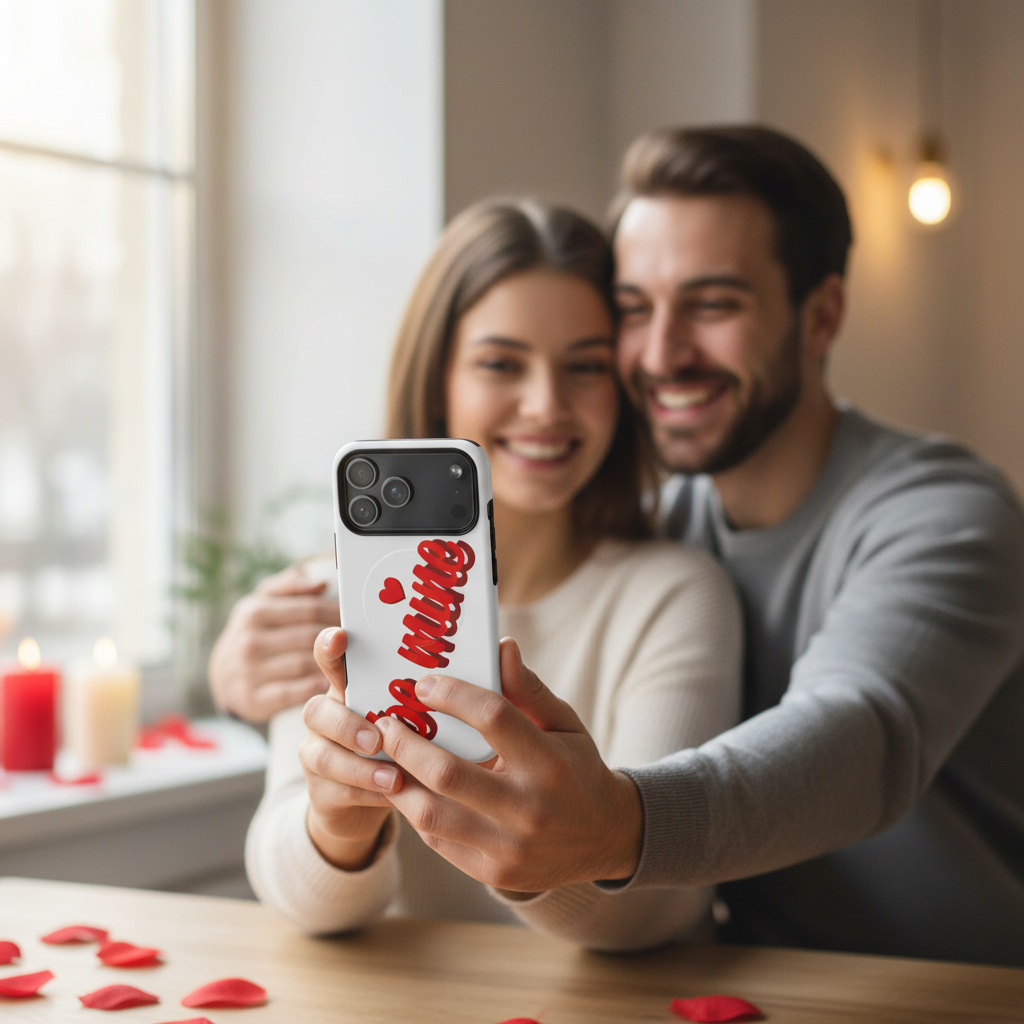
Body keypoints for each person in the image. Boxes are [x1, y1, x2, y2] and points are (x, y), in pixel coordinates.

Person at [334, 128, 1024, 967]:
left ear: (823, 316)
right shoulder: (666, 523)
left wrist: (617, 826)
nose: (661, 354)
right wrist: (247, 656)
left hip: (967, 989)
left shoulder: (943, 514)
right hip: (754, 979)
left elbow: (857, 734)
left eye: (714, 304)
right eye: (634, 309)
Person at [242, 198, 743, 949]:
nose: (546, 405)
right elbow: (295, 890)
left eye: (585, 367)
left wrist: (537, 857)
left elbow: (661, 906)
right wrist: (336, 826)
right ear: (437, 375)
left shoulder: (673, 596)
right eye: (501, 363)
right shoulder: (330, 594)